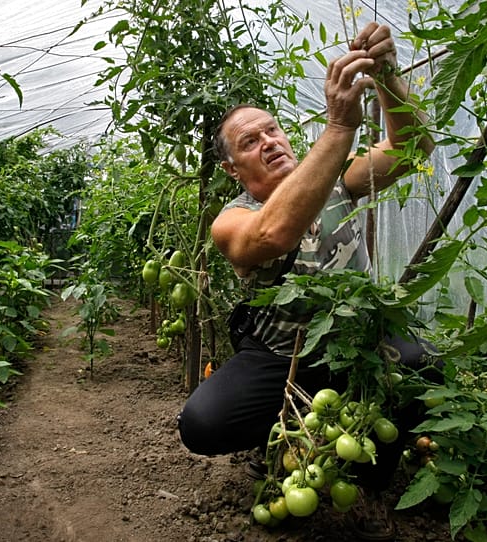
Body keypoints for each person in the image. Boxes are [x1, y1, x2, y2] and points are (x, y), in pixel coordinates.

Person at [177, 22, 436, 539]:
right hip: (279, 355)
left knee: (418, 364)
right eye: (251, 142)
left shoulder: (341, 181)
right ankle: (278, 440)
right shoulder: (231, 218)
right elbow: (272, 234)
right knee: (202, 423)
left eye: (272, 129)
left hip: (356, 344)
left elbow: (414, 148)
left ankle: (373, 478)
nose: (270, 142)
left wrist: (386, 76)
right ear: (232, 169)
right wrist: (339, 129)